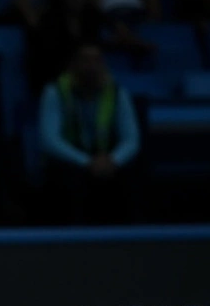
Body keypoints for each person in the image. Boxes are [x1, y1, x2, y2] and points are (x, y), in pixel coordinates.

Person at [37, 40, 140, 224]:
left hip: (107, 160)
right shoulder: (55, 92)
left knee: (132, 177)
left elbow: (131, 140)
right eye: (85, 60)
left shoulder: (118, 93)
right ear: (72, 65)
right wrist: (87, 162)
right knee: (63, 180)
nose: (91, 67)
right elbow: (49, 140)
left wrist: (113, 161)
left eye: (97, 60)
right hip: (72, 160)